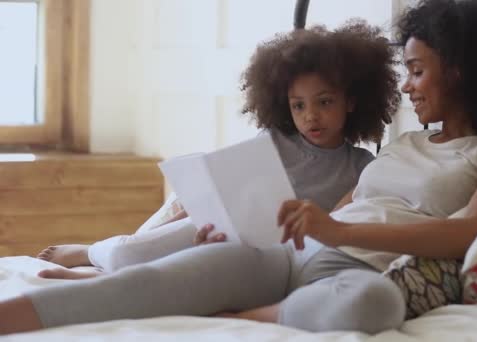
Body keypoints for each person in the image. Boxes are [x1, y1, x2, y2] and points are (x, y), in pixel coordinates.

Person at [0, 0, 477, 335]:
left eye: (418, 71)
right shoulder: (399, 145)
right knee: (143, 282)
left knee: (372, 304)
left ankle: (238, 318)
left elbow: (466, 233)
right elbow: (333, 212)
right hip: (290, 256)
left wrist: (337, 229)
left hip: (355, 272)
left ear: (460, 71)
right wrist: (258, 224)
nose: (406, 85)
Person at [34, 20, 401, 279]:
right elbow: (218, 192)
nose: (311, 117)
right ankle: (92, 253)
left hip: (274, 255)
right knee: (138, 250)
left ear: (352, 101)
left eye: (324, 102)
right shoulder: (273, 140)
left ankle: (98, 275)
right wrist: (166, 228)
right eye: (298, 106)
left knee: (178, 273)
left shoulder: (361, 166)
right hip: (220, 226)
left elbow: (336, 227)